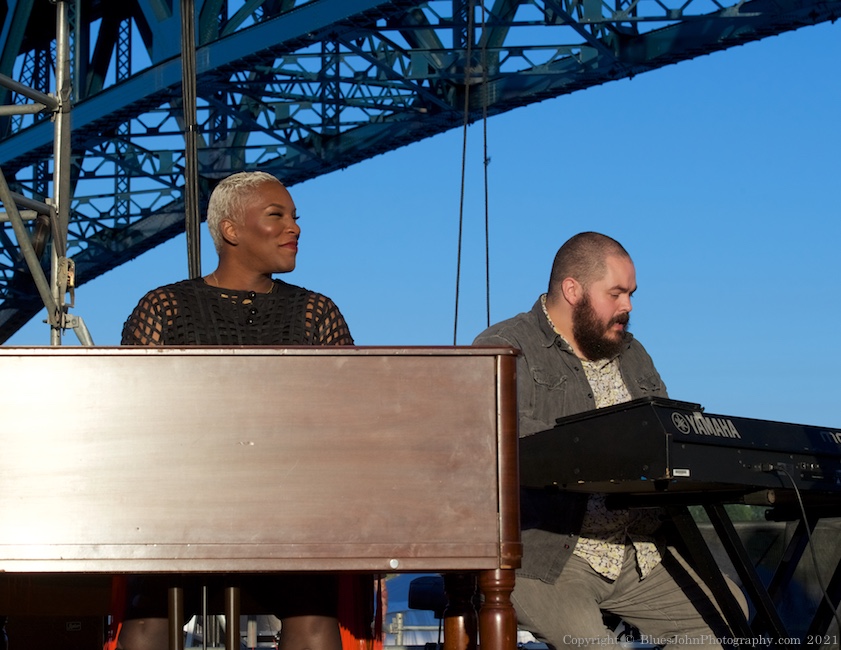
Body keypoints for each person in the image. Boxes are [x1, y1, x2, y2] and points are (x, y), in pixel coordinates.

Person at [118, 171, 356, 650]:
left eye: (294, 217)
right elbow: (131, 413)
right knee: (148, 621)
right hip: (182, 503)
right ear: (231, 231)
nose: (295, 228)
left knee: (312, 614)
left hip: (287, 506)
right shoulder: (164, 307)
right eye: (277, 216)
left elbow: (348, 413)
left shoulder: (316, 312)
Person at [473, 232, 742, 649]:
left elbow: (667, 432)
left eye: (631, 294)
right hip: (550, 557)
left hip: (640, 552)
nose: (628, 307)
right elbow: (491, 440)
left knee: (730, 614)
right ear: (572, 290)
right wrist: (601, 448)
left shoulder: (634, 353)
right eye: (616, 293)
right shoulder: (503, 346)